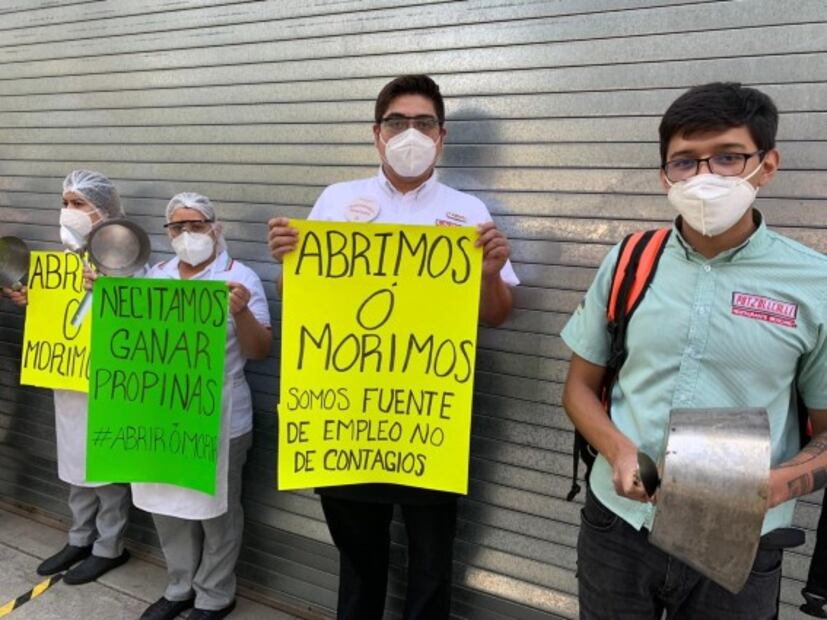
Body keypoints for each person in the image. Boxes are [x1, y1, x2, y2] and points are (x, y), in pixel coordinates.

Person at [561, 82, 827, 619]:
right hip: (620, 527)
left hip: (742, 542)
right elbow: (578, 389)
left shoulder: (814, 285)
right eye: (685, 162)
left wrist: (774, 487)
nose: (705, 177)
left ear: (767, 165)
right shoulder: (629, 261)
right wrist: (617, 450)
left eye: (729, 157)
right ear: (665, 175)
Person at [267, 74, 519, 620]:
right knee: (358, 560)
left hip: (428, 421)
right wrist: (288, 259)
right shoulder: (337, 199)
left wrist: (492, 273)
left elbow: (496, 315)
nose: (411, 132)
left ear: (442, 135)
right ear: (377, 134)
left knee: (431, 563)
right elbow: (300, 297)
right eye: (398, 122)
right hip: (346, 418)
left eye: (423, 123)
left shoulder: (469, 211)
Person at [134, 193, 271, 620]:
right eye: (177, 226)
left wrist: (243, 313)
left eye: (197, 224)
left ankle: (214, 594)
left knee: (219, 511)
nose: (187, 233)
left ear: (216, 226)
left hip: (222, 416)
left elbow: (260, 350)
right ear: (167, 233)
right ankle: (178, 587)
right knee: (167, 506)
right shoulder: (155, 276)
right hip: (163, 415)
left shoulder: (239, 277)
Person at [4, 170, 133, 584]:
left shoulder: (128, 257)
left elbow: (140, 320)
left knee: (106, 467)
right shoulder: (60, 263)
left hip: (109, 381)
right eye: (65, 203)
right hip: (69, 378)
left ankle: (109, 545)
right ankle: (79, 536)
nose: (68, 212)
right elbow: (63, 321)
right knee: (74, 461)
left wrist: (110, 289)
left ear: (105, 210)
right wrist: (32, 303)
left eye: (78, 204)